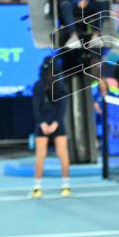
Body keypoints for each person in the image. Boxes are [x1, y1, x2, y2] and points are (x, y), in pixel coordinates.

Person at [30, 60, 71, 198]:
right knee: (58, 154)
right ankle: (64, 187)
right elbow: (61, 108)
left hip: (50, 124)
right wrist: (50, 123)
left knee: (48, 155)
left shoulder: (58, 86)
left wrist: (48, 123)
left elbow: (59, 106)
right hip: (51, 124)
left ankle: (38, 188)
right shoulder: (42, 86)